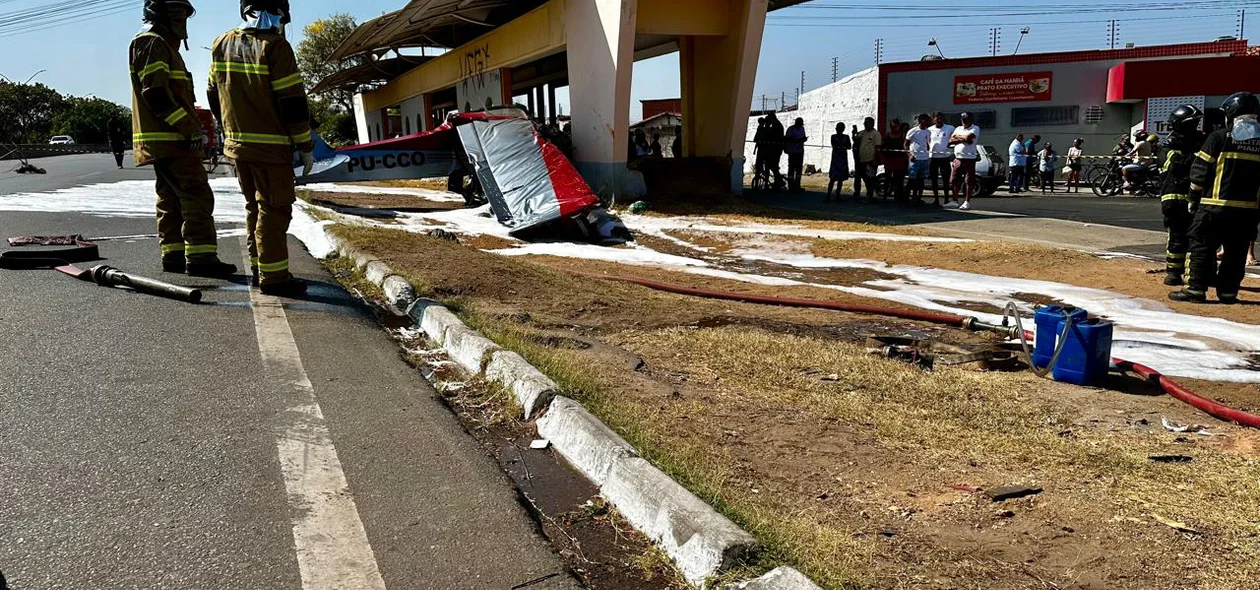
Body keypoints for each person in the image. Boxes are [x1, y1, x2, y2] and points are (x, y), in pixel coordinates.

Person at [207, 0, 313, 296]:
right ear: (281, 12)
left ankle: (259, 266)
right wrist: (304, 145)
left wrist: (229, 130)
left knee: (254, 206)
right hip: (271, 148)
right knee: (274, 208)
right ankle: (275, 277)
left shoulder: (221, 43)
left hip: (238, 148)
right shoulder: (276, 47)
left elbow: (213, 93)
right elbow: (291, 102)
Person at [130, 0, 236, 278]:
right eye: (177, 13)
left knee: (170, 198)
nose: (182, 20)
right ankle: (201, 257)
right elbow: (154, 93)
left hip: (167, 139)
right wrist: (189, 128)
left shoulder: (160, 45)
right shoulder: (153, 43)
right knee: (196, 194)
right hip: (172, 139)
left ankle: (174, 254)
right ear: (161, 15)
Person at [1171, 92, 1260, 304]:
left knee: (1201, 245)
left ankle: (1195, 290)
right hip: (1248, 210)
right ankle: (1228, 293)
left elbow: (1200, 170)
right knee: (1236, 252)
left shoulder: (1219, 137)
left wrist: (1193, 197)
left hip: (1214, 206)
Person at [1158, 105, 1205, 286]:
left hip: (1196, 197)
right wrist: (1194, 155)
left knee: (1196, 237)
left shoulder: (1200, 142)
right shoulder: (1168, 145)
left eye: (1195, 123)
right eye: (1191, 123)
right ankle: (1173, 272)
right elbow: (1175, 166)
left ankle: (1192, 273)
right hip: (1174, 198)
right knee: (1177, 236)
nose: (1194, 127)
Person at [948, 112, 981, 209]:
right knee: (954, 179)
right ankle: (955, 200)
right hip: (958, 158)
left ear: (971, 120)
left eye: (966, 119)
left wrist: (958, 138)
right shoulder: (958, 128)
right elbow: (951, 140)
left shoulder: (975, 128)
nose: (964, 121)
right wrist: (963, 139)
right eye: (963, 119)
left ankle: (967, 202)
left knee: (969, 180)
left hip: (969, 159)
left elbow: (969, 138)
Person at [927, 112, 954, 205]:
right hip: (933, 158)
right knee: (934, 179)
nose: (939, 120)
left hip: (945, 157)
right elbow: (927, 141)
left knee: (945, 179)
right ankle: (936, 199)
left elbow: (954, 138)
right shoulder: (929, 130)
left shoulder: (950, 128)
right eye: (937, 118)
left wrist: (950, 145)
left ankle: (946, 199)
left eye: (940, 118)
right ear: (933, 119)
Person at [905, 114, 933, 205]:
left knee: (921, 180)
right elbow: (905, 144)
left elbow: (928, 144)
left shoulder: (928, 132)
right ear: (921, 121)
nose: (929, 122)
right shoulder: (913, 131)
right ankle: (908, 197)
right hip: (915, 159)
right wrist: (909, 154)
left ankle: (919, 198)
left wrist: (929, 155)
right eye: (927, 120)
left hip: (924, 159)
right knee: (912, 179)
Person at [853, 117, 882, 202]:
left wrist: (875, 159)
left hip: (871, 160)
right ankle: (867, 194)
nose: (865, 125)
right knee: (864, 178)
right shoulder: (862, 133)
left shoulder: (876, 134)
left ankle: (870, 196)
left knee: (870, 179)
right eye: (865, 123)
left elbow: (878, 148)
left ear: (872, 124)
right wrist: (854, 133)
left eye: (867, 123)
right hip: (862, 160)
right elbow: (855, 140)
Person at [882, 119, 908, 202]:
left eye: (895, 126)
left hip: (899, 159)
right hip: (890, 159)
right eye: (892, 127)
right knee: (887, 178)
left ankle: (897, 197)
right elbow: (883, 146)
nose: (894, 128)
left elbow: (905, 146)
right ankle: (885, 195)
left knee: (898, 179)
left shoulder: (902, 135)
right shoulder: (888, 135)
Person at [826, 122, 851, 202]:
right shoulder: (834, 137)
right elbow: (835, 145)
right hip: (836, 159)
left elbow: (849, 146)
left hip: (842, 159)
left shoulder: (845, 137)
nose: (838, 130)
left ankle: (837, 195)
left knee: (840, 179)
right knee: (833, 178)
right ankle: (829, 195)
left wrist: (841, 146)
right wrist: (842, 146)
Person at [784, 117, 807, 192]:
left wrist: (803, 139)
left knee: (799, 169)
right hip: (792, 151)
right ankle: (790, 186)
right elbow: (787, 138)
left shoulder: (802, 129)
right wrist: (796, 140)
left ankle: (797, 185)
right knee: (791, 168)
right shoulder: (791, 129)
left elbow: (803, 136)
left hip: (800, 151)